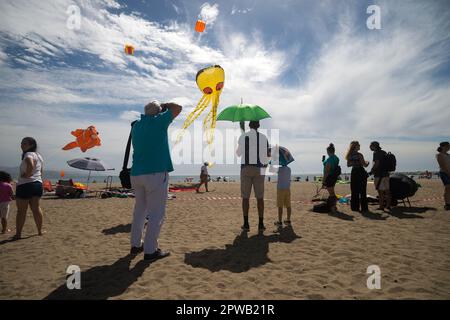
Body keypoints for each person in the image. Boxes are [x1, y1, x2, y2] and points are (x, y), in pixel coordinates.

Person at [130, 100, 182, 261]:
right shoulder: (159, 121)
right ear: (158, 112)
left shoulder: (136, 126)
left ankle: (135, 244)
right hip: (156, 172)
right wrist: (165, 106)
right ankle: (150, 250)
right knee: (156, 213)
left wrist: (160, 109)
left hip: (136, 173)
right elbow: (178, 107)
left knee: (139, 211)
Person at [236, 121, 270, 231]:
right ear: (258, 126)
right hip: (259, 168)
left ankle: (246, 224)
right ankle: (261, 224)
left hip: (246, 168)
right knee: (260, 198)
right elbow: (267, 154)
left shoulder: (244, 136)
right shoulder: (263, 137)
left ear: (249, 126)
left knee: (245, 198)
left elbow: (238, 153)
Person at [15, 137, 44, 239]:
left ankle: (18, 234)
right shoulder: (39, 156)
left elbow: (31, 165)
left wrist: (27, 175)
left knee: (21, 211)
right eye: (22, 143)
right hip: (37, 184)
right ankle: (39, 231)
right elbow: (41, 171)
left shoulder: (28, 154)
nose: (22, 145)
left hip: (25, 185)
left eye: (25, 143)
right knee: (36, 209)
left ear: (31, 145)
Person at [345, 141, 370, 213]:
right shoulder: (359, 155)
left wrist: (354, 162)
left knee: (354, 190)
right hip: (360, 172)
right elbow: (364, 165)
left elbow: (348, 165)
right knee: (362, 190)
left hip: (354, 172)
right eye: (359, 145)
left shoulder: (349, 155)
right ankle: (364, 208)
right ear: (356, 146)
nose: (359, 146)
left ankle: (355, 207)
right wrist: (367, 162)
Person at [369, 141, 391, 211]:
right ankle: (388, 205)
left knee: (380, 191)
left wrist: (371, 171)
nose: (369, 147)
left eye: (370, 146)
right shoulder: (384, 152)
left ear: (374, 146)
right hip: (386, 174)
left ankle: (381, 206)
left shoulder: (376, 153)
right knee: (387, 191)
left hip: (379, 175)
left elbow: (377, 163)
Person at [322, 143, 340, 213]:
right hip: (334, 176)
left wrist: (323, 181)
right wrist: (324, 161)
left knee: (331, 193)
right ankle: (333, 206)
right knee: (332, 192)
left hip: (329, 177)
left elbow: (326, 171)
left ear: (328, 151)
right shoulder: (336, 158)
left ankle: (333, 207)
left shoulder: (329, 159)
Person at [275, 161, 292, 229]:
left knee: (280, 206)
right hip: (287, 188)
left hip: (280, 189)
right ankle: (288, 220)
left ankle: (279, 221)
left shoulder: (279, 169)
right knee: (288, 205)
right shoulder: (289, 169)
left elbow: (272, 170)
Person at [436, 141, 450, 210]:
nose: (449, 147)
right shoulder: (439, 155)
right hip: (444, 173)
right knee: (447, 187)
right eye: (448, 146)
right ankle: (447, 204)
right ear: (444, 146)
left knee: (449, 189)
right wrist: (448, 174)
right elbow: (442, 166)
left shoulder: (448, 155)